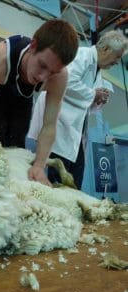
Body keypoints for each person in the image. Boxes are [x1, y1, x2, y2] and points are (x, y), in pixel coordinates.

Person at [0, 19, 79, 186]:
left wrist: (39, 166)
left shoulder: (59, 77)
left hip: (24, 100)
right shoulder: (1, 59)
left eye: (53, 72)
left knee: (17, 147)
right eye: (42, 65)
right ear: (33, 46)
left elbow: (50, 125)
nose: (43, 77)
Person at [27, 30, 128, 189]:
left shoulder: (97, 70)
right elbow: (66, 83)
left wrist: (98, 100)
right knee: (59, 181)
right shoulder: (82, 55)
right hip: (58, 125)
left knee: (74, 180)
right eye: (117, 57)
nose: (116, 63)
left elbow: (86, 103)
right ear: (106, 49)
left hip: (74, 132)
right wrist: (93, 94)